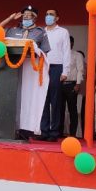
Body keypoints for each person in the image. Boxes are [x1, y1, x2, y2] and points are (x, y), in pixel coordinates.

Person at [0, 6, 51, 139]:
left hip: (30, 70)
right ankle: (9, 127)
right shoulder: (13, 30)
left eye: (29, 14)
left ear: (35, 17)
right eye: (24, 14)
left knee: (28, 99)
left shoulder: (40, 32)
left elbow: (44, 52)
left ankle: (26, 130)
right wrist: (9, 18)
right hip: (12, 69)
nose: (26, 16)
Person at [41, 9, 71, 141]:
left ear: (57, 18)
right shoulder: (41, 31)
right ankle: (44, 131)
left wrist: (65, 71)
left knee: (55, 101)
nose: (48, 16)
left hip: (57, 67)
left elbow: (66, 51)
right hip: (42, 67)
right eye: (47, 14)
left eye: (51, 14)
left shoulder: (63, 32)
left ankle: (54, 132)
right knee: (43, 100)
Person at [59, 36, 84, 138]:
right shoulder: (59, 55)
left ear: (72, 43)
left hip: (72, 85)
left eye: (69, 42)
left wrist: (78, 84)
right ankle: (59, 132)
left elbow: (80, 70)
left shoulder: (77, 55)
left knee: (72, 110)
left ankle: (72, 133)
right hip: (60, 85)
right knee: (60, 109)